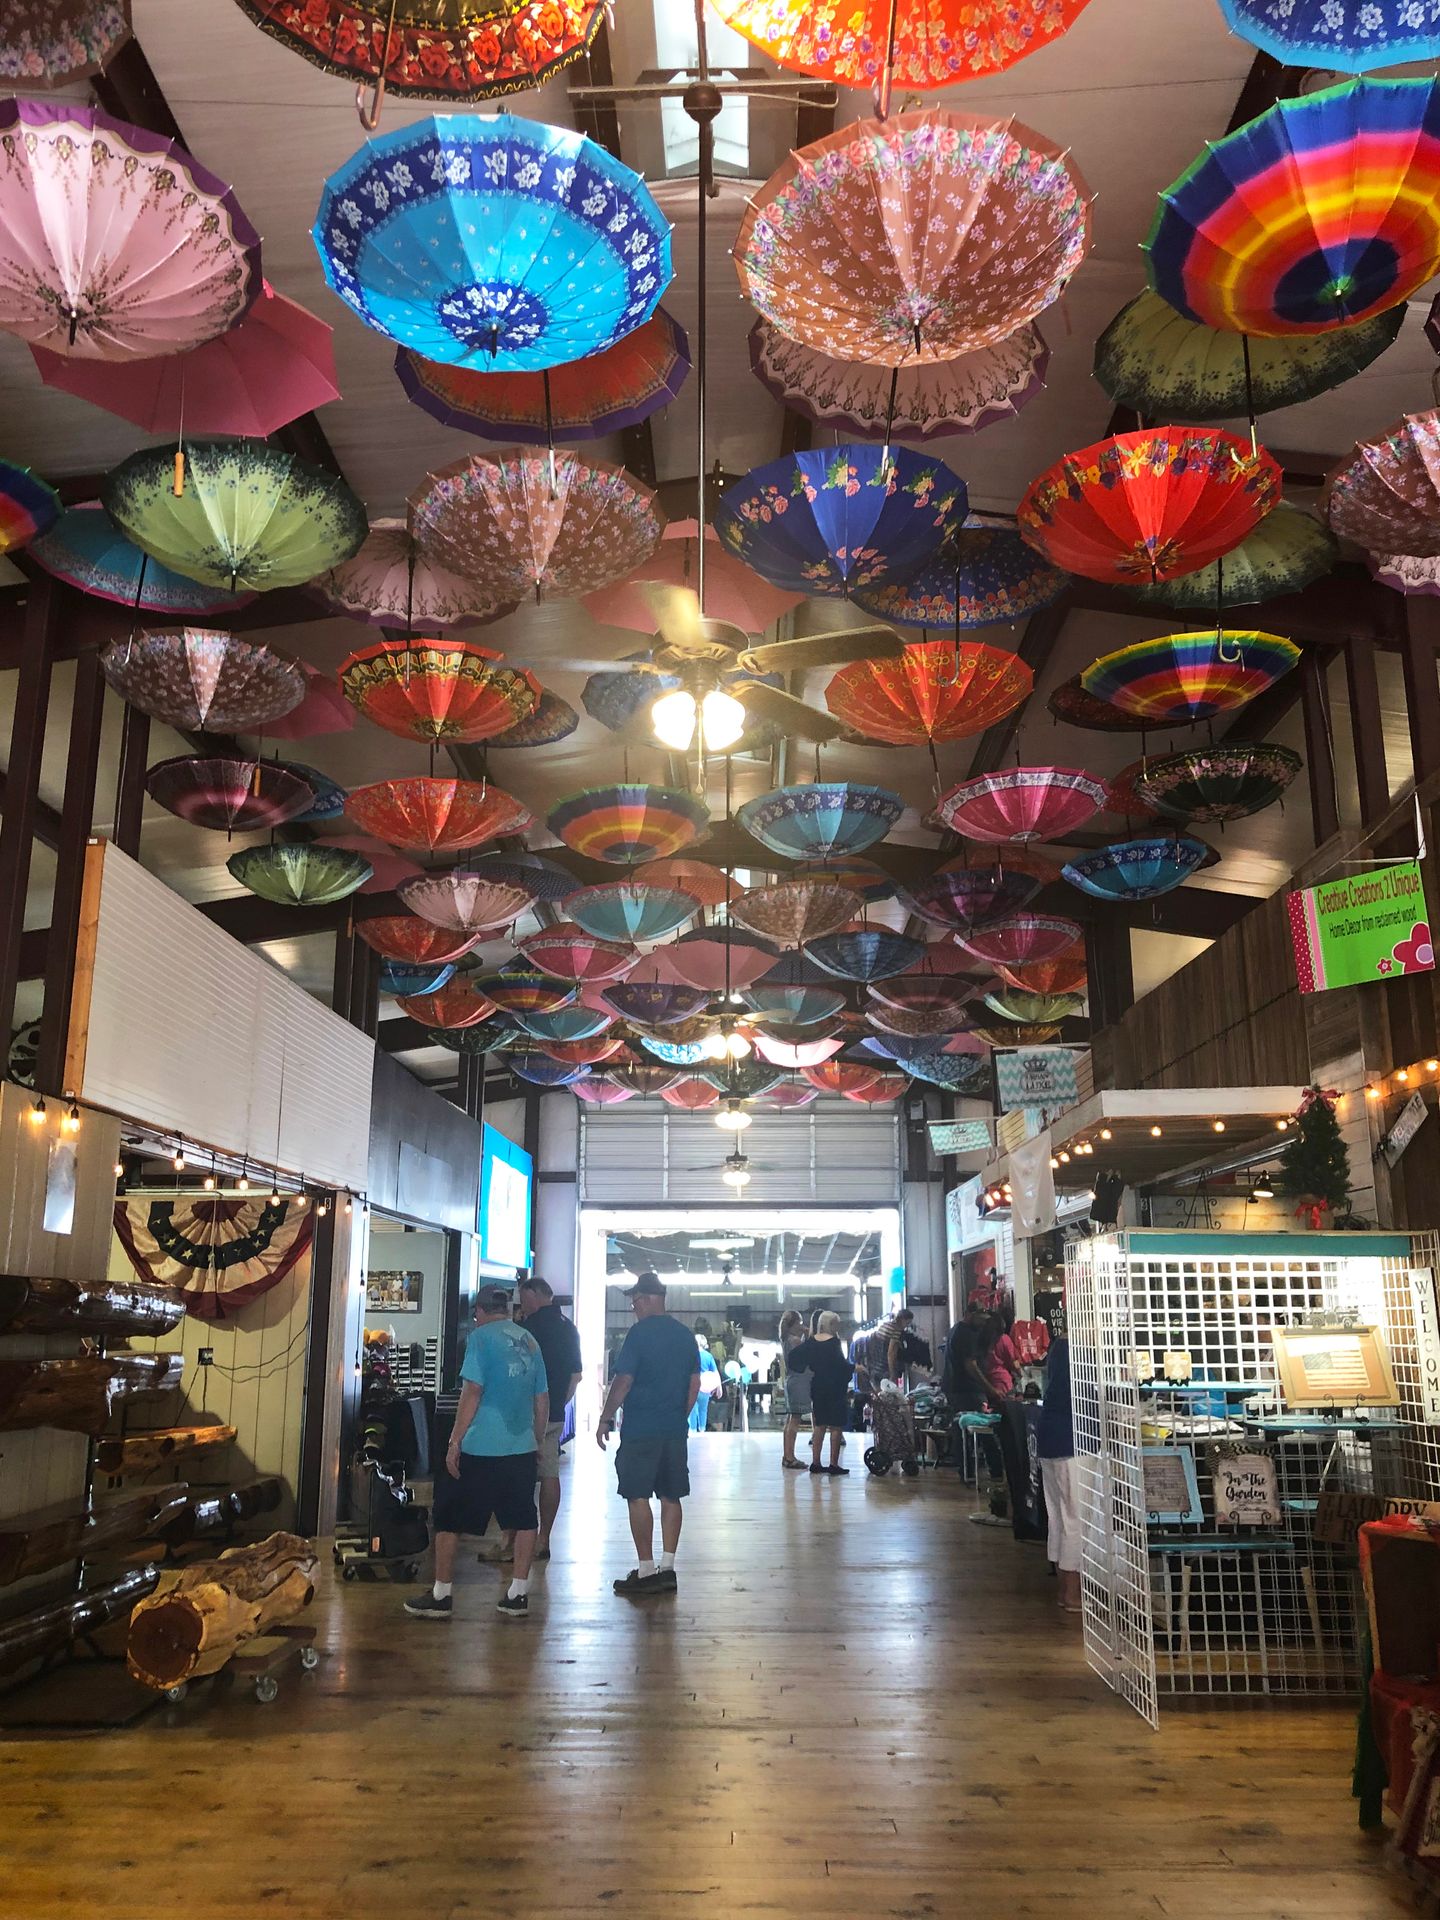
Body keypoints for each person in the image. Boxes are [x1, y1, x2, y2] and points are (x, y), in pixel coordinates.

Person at [405, 1284, 548, 1623]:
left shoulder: (480, 1339)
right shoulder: (529, 1341)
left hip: (481, 1446)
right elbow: (542, 1398)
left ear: (480, 1312)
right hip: (521, 1445)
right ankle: (518, 1594)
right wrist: (537, 1441)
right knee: (524, 1517)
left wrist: (454, 1442)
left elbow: (472, 1391)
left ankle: (441, 1595)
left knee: (449, 1518)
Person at [597, 1272, 701, 1597]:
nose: (634, 1308)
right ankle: (668, 1568)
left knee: (637, 1495)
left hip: (641, 1429)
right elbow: (694, 1384)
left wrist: (605, 1417)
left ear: (644, 1299)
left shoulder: (638, 1334)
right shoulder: (685, 1335)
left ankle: (645, 1569)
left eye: (634, 1302)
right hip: (673, 1430)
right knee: (672, 1495)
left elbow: (624, 1380)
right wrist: (678, 1415)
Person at [517, 1276, 582, 1561]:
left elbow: (516, 1373)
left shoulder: (526, 1329)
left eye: (522, 1298)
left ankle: (512, 1543)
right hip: (554, 1412)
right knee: (550, 1474)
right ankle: (543, 1539)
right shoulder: (570, 1328)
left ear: (533, 1296)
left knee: (517, 1476)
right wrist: (558, 1404)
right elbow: (576, 1375)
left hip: (524, 1414)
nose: (521, 1304)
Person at [1037, 1334, 1082, 1613]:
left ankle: (1064, 1590)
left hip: (1052, 1437)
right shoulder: (1084, 1350)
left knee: (1059, 1517)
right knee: (1076, 1517)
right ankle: (1072, 1593)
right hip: (1074, 1441)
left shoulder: (1059, 1346)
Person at [793, 1310, 852, 1475]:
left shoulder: (811, 1342)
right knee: (836, 1426)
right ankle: (834, 1464)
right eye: (836, 1324)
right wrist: (855, 1368)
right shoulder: (834, 1342)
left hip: (817, 1386)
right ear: (831, 1324)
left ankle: (816, 1463)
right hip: (834, 1388)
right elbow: (840, 1365)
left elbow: (795, 1358)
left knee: (819, 1425)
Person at [779, 1307, 810, 1470]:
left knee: (790, 1419)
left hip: (791, 1380)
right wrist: (809, 1332)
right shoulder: (795, 1341)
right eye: (800, 1322)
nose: (802, 1325)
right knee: (795, 1420)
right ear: (794, 1324)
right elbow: (809, 1352)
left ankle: (787, 1455)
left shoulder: (786, 1339)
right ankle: (790, 1457)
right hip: (799, 1382)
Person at [690, 1333, 722, 1432]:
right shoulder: (708, 1356)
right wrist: (718, 1387)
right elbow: (715, 1372)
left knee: (692, 1410)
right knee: (703, 1410)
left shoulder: (690, 1355)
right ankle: (702, 1430)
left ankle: (693, 1430)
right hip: (705, 1387)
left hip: (693, 1386)